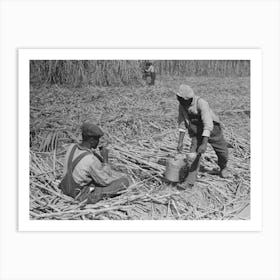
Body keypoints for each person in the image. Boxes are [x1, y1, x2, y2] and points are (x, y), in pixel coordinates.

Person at [59, 122, 131, 204]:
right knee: (124, 182)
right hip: (79, 194)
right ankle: (91, 198)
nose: (98, 142)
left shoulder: (72, 147)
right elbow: (105, 181)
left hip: (65, 188)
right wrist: (105, 160)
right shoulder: (91, 159)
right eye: (97, 139)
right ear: (92, 141)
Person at [176, 84, 230, 187]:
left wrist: (204, 144)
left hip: (212, 129)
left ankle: (223, 167)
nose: (178, 100)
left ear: (188, 99)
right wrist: (180, 142)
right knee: (193, 155)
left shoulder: (201, 103)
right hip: (196, 131)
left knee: (222, 152)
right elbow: (182, 122)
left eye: (180, 98)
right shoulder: (182, 105)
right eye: (178, 98)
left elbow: (208, 124)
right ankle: (189, 181)